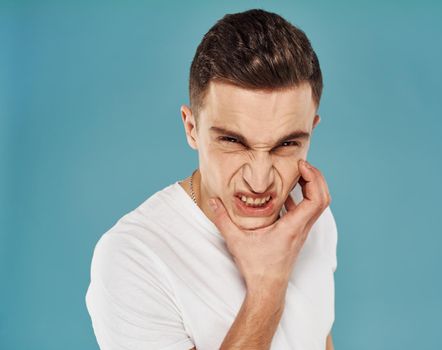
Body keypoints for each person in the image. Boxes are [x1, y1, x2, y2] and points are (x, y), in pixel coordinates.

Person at [86, 8, 338, 350]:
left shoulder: (310, 218)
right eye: (233, 141)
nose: (260, 181)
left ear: (311, 131)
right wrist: (268, 288)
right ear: (192, 128)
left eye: (287, 144)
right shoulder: (135, 257)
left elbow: (315, 336)